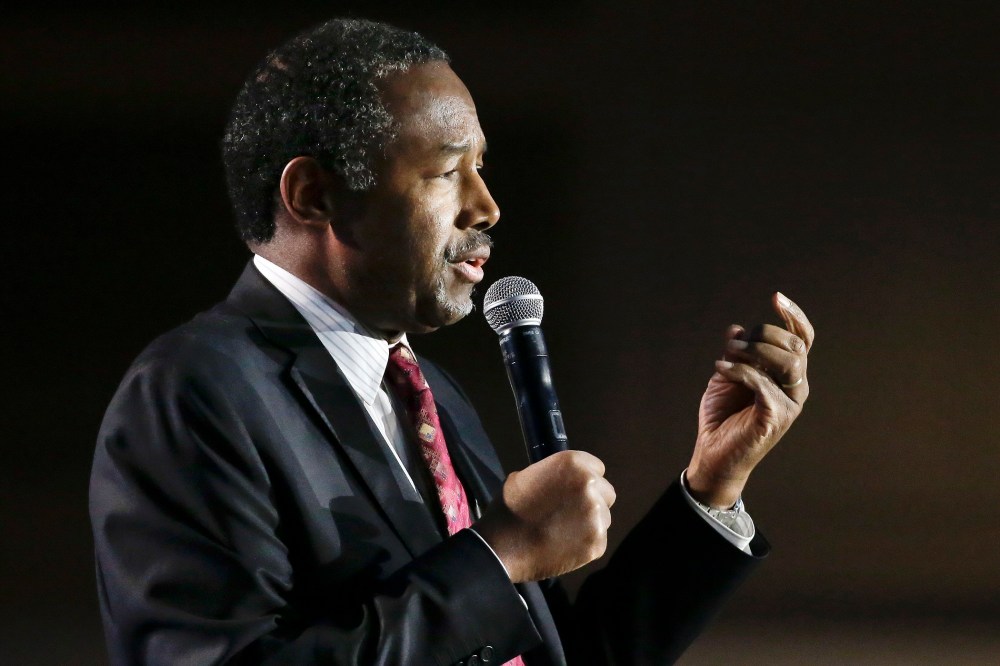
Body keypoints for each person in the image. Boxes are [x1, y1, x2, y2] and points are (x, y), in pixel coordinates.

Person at [89, 17, 815, 666]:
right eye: (445, 171)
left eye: (482, 168)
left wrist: (711, 486)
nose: (487, 206)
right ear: (314, 196)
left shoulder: (435, 397)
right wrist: (499, 556)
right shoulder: (193, 392)